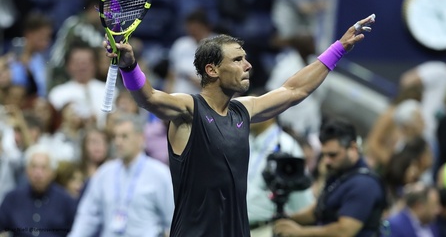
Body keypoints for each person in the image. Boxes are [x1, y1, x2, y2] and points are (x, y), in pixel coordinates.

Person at [104, 14, 376, 236]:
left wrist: (338, 48)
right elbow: (149, 98)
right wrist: (130, 67)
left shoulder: (243, 110)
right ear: (212, 70)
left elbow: (295, 90)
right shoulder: (189, 109)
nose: (247, 65)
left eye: (245, 58)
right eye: (237, 59)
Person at [273, 118, 386, 237]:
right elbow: (318, 211)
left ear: (353, 148)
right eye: (324, 154)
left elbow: (344, 231)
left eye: (333, 155)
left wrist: (300, 232)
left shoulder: (364, 185)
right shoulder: (340, 174)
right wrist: (286, 220)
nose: (326, 161)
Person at [68, 114, 174, 237]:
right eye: (115, 137)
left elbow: (172, 219)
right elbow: (87, 217)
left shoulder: (159, 174)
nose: (118, 142)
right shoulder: (104, 174)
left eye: (124, 136)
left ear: (140, 138)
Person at [247, 89, 314, 237]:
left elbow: (302, 201)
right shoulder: (247, 141)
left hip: (265, 229)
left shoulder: (286, 147)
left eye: (251, 108)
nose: (246, 114)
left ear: (270, 111)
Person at [0, 144, 77, 236]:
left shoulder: (66, 201)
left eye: (43, 168)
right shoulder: (12, 198)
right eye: (33, 167)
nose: (38, 173)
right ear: (26, 171)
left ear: (52, 172)